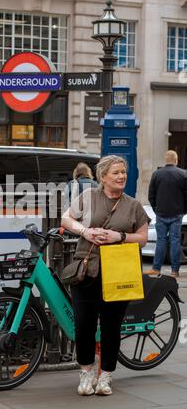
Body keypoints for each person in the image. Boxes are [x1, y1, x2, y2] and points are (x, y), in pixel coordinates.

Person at [61, 155, 149, 396]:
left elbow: (143, 238)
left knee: (111, 327)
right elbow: (66, 218)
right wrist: (85, 231)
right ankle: (86, 372)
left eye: (123, 172)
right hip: (87, 271)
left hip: (118, 273)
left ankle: (106, 376)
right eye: (116, 173)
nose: (121, 176)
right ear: (103, 177)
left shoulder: (133, 205)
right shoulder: (88, 198)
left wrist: (119, 237)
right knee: (84, 325)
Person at [144, 150, 187, 278]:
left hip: (161, 213)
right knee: (175, 241)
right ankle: (174, 271)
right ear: (176, 160)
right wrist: (184, 210)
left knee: (161, 241)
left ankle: (156, 269)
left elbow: (151, 195)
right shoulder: (183, 174)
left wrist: (156, 208)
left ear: (165, 160)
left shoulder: (156, 174)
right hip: (177, 213)